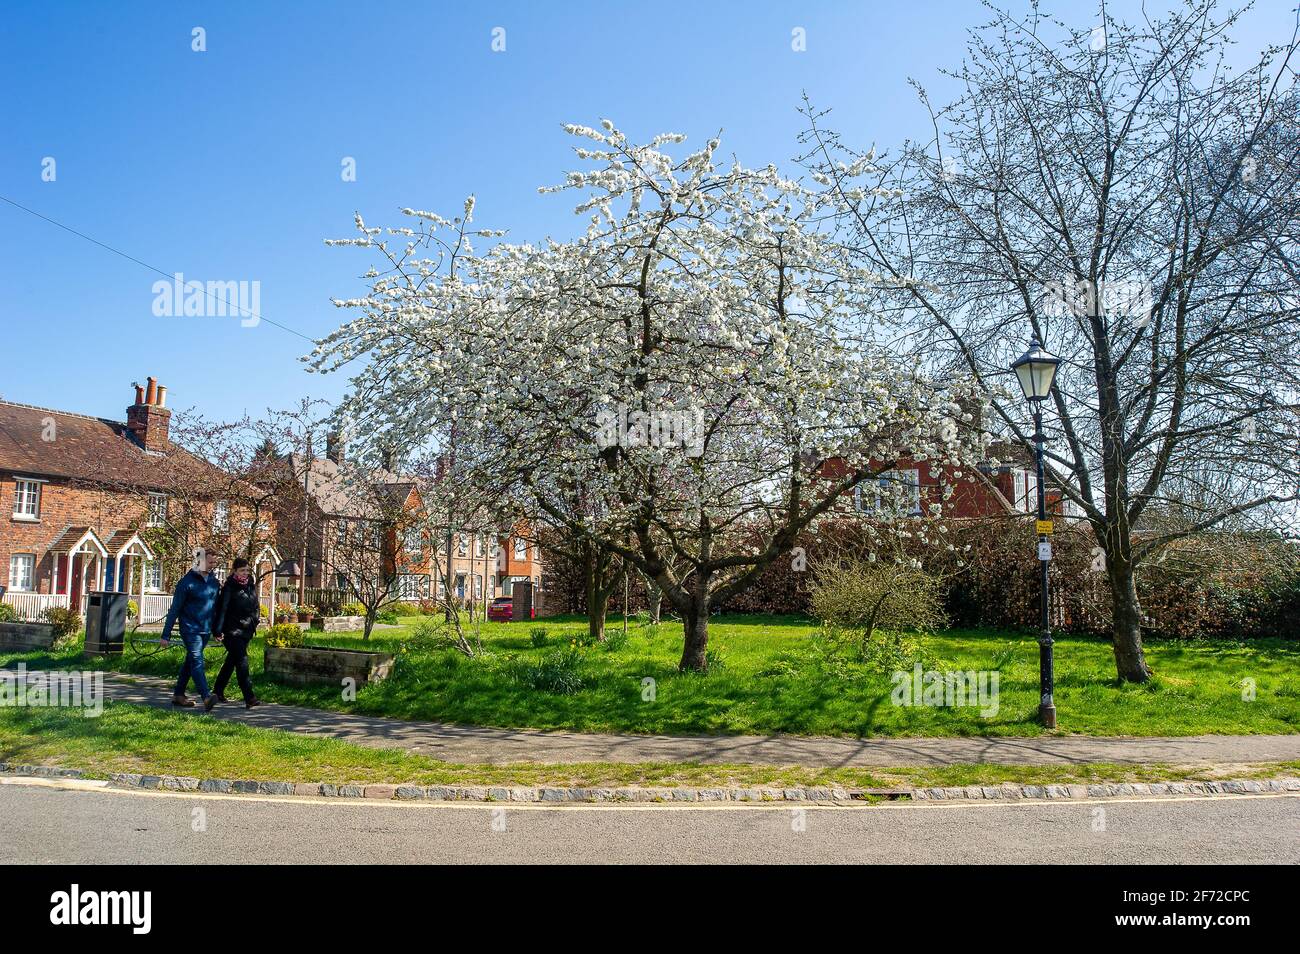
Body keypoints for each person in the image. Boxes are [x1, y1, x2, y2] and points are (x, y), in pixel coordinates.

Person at [161, 550, 221, 707]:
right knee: (196, 660)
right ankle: (206, 696)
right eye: (210, 562)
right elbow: (174, 609)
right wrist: (165, 634)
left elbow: (214, 608)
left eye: (215, 563)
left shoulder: (214, 583)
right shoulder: (186, 582)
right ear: (200, 561)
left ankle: (178, 695)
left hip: (205, 629)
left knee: (190, 661)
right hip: (190, 628)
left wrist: (216, 630)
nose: (213, 566)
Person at [207, 558, 262, 710]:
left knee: (232, 661)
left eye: (247, 570)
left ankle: (218, 690)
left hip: (246, 630)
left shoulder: (250, 586)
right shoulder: (229, 588)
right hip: (232, 631)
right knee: (242, 662)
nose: (245, 573)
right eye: (241, 570)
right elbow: (222, 610)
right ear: (234, 571)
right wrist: (217, 630)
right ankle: (249, 697)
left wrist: (255, 621)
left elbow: (255, 606)